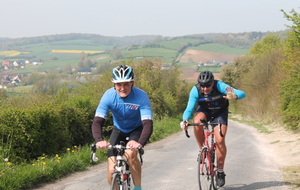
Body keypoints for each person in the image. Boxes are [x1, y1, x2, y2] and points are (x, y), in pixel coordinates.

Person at [92, 65, 153, 190]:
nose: (122, 88)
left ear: (132, 83)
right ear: (114, 85)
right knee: (111, 168)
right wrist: (99, 140)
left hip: (136, 129)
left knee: (131, 155)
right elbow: (97, 122)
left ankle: (138, 188)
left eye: (126, 84)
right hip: (118, 129)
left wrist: (139, 143)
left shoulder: (141, 96)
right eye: (119, 84)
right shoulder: (108, 96)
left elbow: (147, 123)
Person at [180, 70, 246, 187]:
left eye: (208, 86)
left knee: (220, 140)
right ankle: (202, 150)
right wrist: (185, 120)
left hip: (220, 112)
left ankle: (220, 171)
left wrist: (234, 96)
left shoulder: (220, 86)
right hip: (204, 111)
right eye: (203, 86)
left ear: (212, 83)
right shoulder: (195, 90)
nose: (205, 89)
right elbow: (189, 108)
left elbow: (242, 94)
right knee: (197, 122)